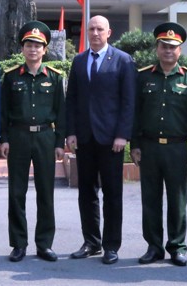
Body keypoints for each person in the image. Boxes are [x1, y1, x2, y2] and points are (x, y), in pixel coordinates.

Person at [131, 22, 187, 267]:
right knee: (150, 199)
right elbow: (135, 114)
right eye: (164, 46)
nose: (168, 51)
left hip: (177, 148)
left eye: (173, 47)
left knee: (177, 199)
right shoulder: (143, 77)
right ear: (157, 48)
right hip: (150, 147)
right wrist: (135, 144)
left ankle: (177, 246)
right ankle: (153, 246)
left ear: (180, 51)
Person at [65, 15, 136, 265]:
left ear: (109, 32)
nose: (95, 33)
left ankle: (111, 245)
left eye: (99, 29)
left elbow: (128, 101)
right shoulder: (79, 60)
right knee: (86, 192)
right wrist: (70, 131)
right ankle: (91, 241)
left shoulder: (123, 60)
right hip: (84, 138)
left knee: (112, 193)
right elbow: (71, 98)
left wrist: (122, 134)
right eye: (91, 29)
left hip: (110, 140)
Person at [0, 21, 64, 263]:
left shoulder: (55, 78)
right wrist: (3, 139)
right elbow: (3, 112)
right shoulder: (11, 77)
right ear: (23, 49)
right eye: (28, 45)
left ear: (45, 49)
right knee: (17, 192)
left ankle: (44, 244)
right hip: (18, 136)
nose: (33, 49)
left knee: (45, 192)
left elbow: (62, 112)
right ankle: (18, 243)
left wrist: (59, 142)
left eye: (38, 45)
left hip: (46, 137)